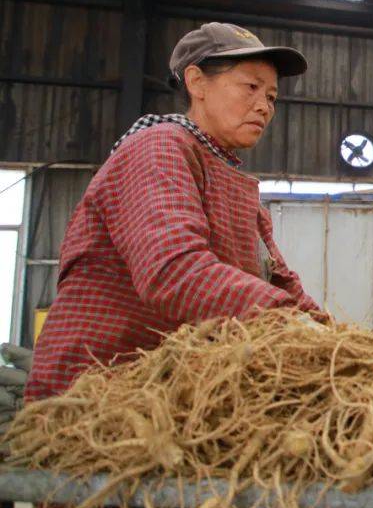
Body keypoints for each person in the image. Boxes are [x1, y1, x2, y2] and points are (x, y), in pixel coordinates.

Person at [25, 23, 320, 400]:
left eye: (272, 96)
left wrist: (335, 336)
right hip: (100, 390)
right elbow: (174, 269)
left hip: (178, 393)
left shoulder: (236, 185)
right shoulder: (158, 148)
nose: (264, 106)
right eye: (251, 87)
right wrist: (289, 321)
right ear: (196, 82)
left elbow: (280, 281)